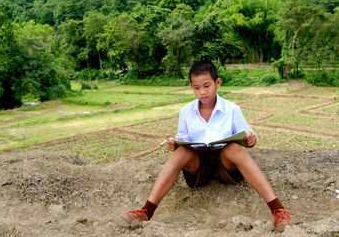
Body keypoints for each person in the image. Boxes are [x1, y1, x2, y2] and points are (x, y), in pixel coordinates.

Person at [120, 60, 293, 232]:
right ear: (191, 87)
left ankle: (278, 210)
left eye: (207, 86)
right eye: (197, 88)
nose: (202, 92)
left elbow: (248, 135)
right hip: (198, 168)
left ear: (218, 83)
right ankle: (146, 211)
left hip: (226, 167)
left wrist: (250, 139)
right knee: (181, 154)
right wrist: (175, 143)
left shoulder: (232, 109)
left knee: (234, 148)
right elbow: (183, 139)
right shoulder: (186, 111)